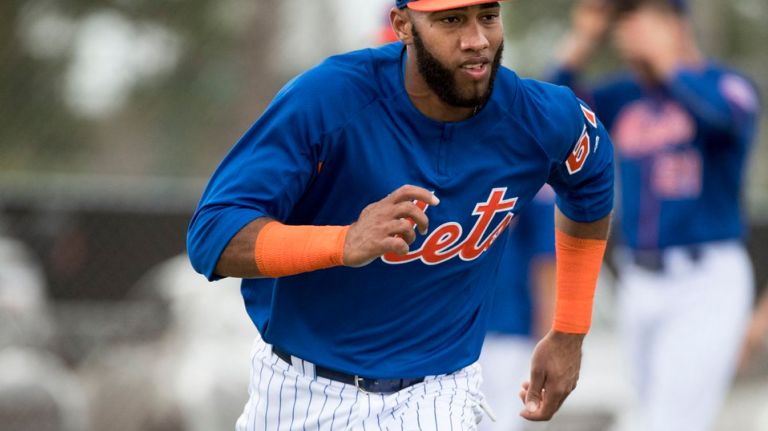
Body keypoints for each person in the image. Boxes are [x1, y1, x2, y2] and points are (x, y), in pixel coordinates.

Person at [187, 0, 615, 429]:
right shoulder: (329, 98)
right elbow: (212, 235)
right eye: (451, 20)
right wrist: (341, 242)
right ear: (403, 26)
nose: (477, 40)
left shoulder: (538, 115)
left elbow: (593, 176)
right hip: (303, 391)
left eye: (488, 16)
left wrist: (570, 331)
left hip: (438, 393)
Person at [551, 1, 761, 430]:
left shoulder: (727, 84)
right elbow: (552, 119)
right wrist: (584, 40)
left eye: (640, 17)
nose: (628, 31)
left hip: (705, 278)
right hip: (638, 279)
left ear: (675, 24)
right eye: (623, 22)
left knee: (670, 422)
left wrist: (668, 60)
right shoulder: (625, 95)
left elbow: (723, 120)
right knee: (649, 414)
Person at [479, 185, 556, 431]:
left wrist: (548, 337)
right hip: (458, 332)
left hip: (509, 329)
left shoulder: (530, 171)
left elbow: (546, 260)